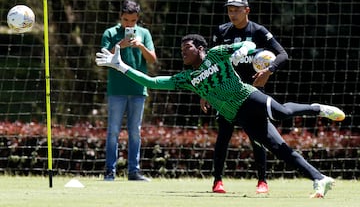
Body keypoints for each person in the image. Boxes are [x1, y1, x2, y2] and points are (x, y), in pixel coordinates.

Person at [96, 34, 345, 198]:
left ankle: (316, 108)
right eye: (182, 49)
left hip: (249, 97)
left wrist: (240, 52)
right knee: (279, 149)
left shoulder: (216, 53)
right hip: (238, 116)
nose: (183, 52)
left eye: (188, 48)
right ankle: (320, 178)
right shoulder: (187, 78)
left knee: (280, 112)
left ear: (200, 48)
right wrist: (121, 66)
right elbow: (150, 81)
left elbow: (248, 44)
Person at [201, 0, 289, 194]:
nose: (232, 13)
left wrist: (269, 70)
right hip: (226, 93)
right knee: (223, 136)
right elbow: (211, 63)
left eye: (237, 10)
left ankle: (262, 181)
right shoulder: (222, 31)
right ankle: (217, 181)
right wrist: (205, 91)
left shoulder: (258, 31)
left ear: (246, 10)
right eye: (230, 10)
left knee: (257, 137)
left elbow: (283, 54)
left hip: (253, 92)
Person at [101, 0, 157, 181]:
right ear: (121, 17)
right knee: (113, 131)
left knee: (135, 131)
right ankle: (110, 172)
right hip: (116, 90)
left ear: (137, 18)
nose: (129, 24)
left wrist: (140, 46)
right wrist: (119, 45)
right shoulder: (110, 33)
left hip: (138, 90)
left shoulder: (144, 33)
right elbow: (103, 58)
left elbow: (152, 60)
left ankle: (134, 171)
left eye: (132, 21)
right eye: (126, 20)